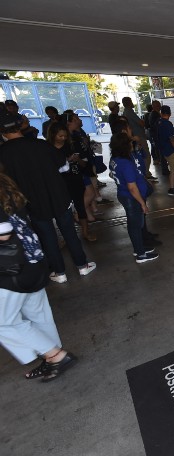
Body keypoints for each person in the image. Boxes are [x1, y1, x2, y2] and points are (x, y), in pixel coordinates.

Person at [0, 111, 96, 283]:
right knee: (69, 233)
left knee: (47, 237)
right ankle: (82, 266)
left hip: (32, 201)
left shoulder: (3, 153)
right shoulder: (40, 145)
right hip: (58, 195)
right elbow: (64, 167)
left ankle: (60, 273)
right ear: (21, 125)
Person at [0, 172, 78, 381]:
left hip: (12, 271)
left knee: (4, 322)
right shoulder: (7, 188)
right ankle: (51, 356)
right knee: (39, 315)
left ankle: (55, 355)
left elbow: (3, 232)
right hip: (33, 262)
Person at [109, 132, 159, 263]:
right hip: (131, 198)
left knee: (134, 224)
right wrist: (142, 203)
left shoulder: (115, 159)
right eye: (130, 143)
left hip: (125, 195)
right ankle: (141, 255)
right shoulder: (125, 163)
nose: (132, 144)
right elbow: (132, 187)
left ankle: (139, 248)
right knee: (136, 226)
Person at [47, 122, 96, 242]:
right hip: (58, 183)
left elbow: (84, 164)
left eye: (65, 136)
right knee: (62, 211)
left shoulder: (71, 146)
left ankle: (85, 232)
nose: (63, 138)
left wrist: (77, 159)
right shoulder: (47, 148)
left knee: (80, 207)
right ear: (53, 135)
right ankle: (66, 237)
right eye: (60, 136)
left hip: (75, 179)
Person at [122, 96, 155, 180]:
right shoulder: (129, 112)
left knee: (141, 155)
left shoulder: (126, 112)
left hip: (136, 137)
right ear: (128, 103)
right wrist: (143, 122)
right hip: (138, 137)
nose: (132, 102)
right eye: (131, 101)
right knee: (146, 155)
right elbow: (141, 123)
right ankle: (146, 173)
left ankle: (144, 173)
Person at [156, 105, 174, 196]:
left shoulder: (159, 122)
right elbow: (171, 138)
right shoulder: (168, 124)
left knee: (173, 169)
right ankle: (172, 188)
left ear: (161, 113)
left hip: (164, 149)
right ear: (170, 113)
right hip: (171, 150)